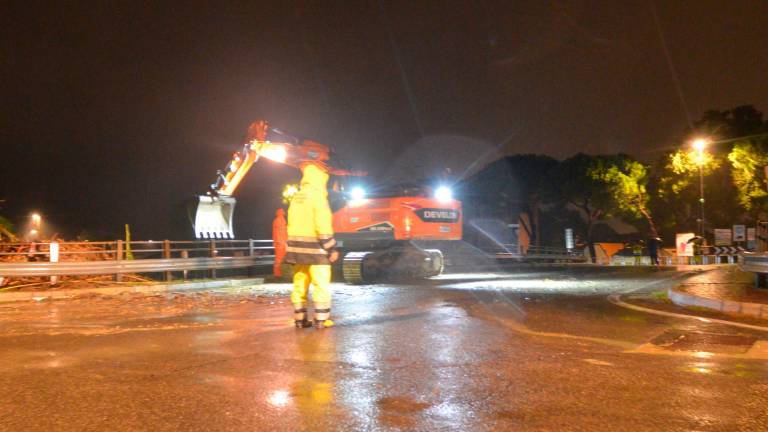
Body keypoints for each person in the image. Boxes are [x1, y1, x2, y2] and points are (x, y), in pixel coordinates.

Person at [285, 161, 339, 329]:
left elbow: (291, 223)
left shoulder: (296, 197)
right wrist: (330, 247)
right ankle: (321, 320)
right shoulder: (318, 197)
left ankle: (300, 320)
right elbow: (322, 225)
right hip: (316, 250)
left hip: (296, 250)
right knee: (320, 283)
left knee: (300, 283)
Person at [271, 208, 287, 278]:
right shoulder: (279, 220)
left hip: (281, 242)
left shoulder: (279, 220)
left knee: (280, 258)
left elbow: (276, 233)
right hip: (281, 242)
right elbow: (279, 232)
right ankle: (278, 273)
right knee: (280, 258)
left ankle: (279, 273)